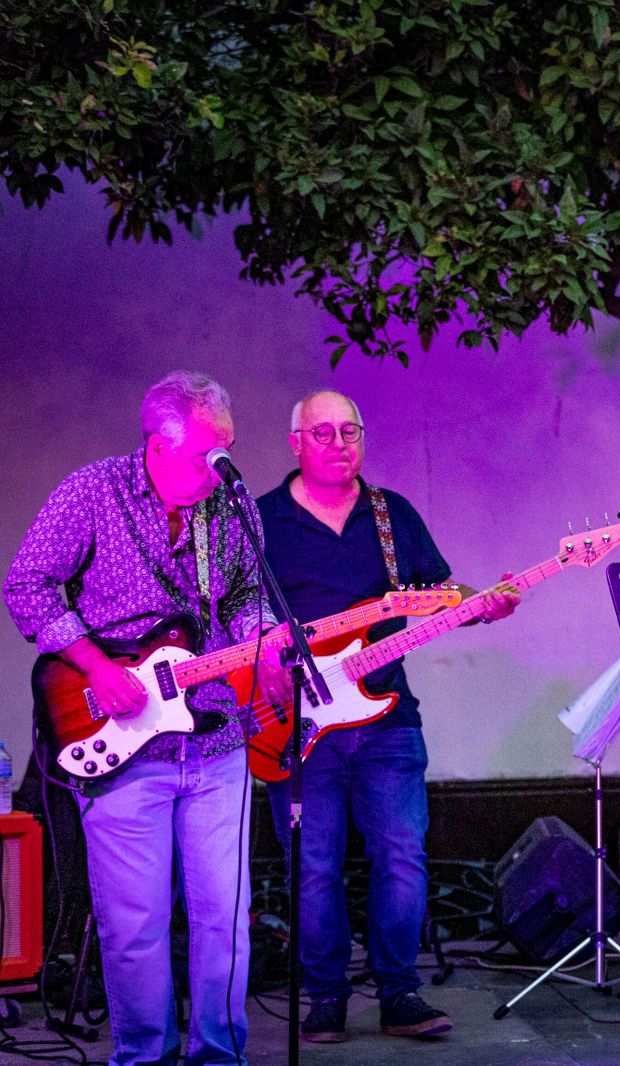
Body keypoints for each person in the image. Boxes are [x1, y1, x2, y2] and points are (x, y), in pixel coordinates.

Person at [4, 370, 288, 1066]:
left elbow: (248, 594)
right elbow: (25, 585)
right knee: (135, 927)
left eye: (226, 451)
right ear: (157, 447)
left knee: (225, 922)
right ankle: (144, 1058)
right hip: (120, 740)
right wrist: (99, 669)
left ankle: (221, 1055)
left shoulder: (231, 505)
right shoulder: (92, 492)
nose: (217, 470)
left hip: (217, 736)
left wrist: (269, 640)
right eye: (203, 456)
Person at [256, 389, 519, 1043]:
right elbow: (236, 614)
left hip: (387, 715)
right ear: (296, 443)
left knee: (403, 855)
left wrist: (477, 602)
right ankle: (325, 998)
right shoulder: (260, 520)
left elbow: (438, 589)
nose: (339, 443)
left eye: (350, 431)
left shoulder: (390, 514)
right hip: (298, 722)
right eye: (323, 433)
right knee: (311, 864)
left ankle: (400, 992)